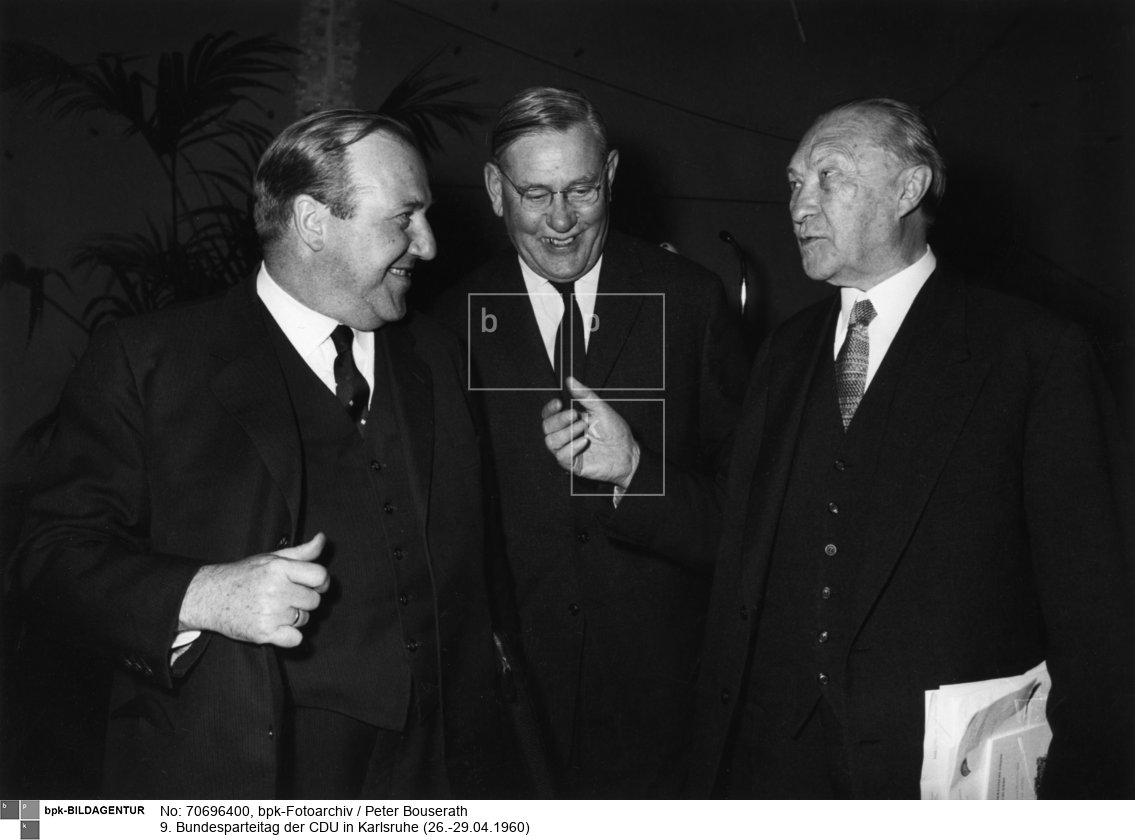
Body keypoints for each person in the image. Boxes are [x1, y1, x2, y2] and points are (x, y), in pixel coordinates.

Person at [13, 110, 505, 798]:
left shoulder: (437, 354)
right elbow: (49, 556)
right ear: (311, 221)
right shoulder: (149, 361)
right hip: (245, 773)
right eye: (404, 218)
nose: (426, 245)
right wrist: (200, 594)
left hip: (438, 771)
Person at [676, 97, 1132, 797]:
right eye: (794, 183)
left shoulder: (1030, 353)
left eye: (828, 177)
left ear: (907, 189)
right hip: (771, 768)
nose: (799, 203)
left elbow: (1096, 610)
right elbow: (739, 550)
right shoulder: (782, 353)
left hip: (930, 778)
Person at [437, 86, 748, 796]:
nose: (559, 221)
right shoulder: (445, 326)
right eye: (534, 193)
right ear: (493, 188)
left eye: (580, 190)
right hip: (513, 720)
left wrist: (636, 473)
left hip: (668, 710)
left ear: (609, 176)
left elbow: (748, 520)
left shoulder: (690, 303)